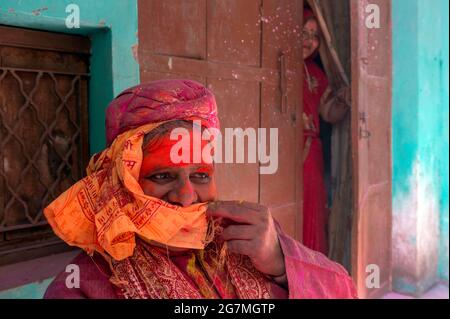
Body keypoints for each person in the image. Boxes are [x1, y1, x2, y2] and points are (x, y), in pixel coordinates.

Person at [43, 79, 356, 299]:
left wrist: (282, 264)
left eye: (201, 176)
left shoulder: (249, 238)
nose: (187, 196)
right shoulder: (84, 284)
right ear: (122, 183)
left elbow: (346, 291)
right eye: (163, 176)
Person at [301, 8, 351, 255]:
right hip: (279, 153)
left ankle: (308, 271)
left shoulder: (318, 75)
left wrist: (343, 100)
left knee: (312, 212)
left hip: (310, 156)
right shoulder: (275, 68)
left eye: (314, 35)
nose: (308, 41)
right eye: (303, 32)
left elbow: (327, 113)